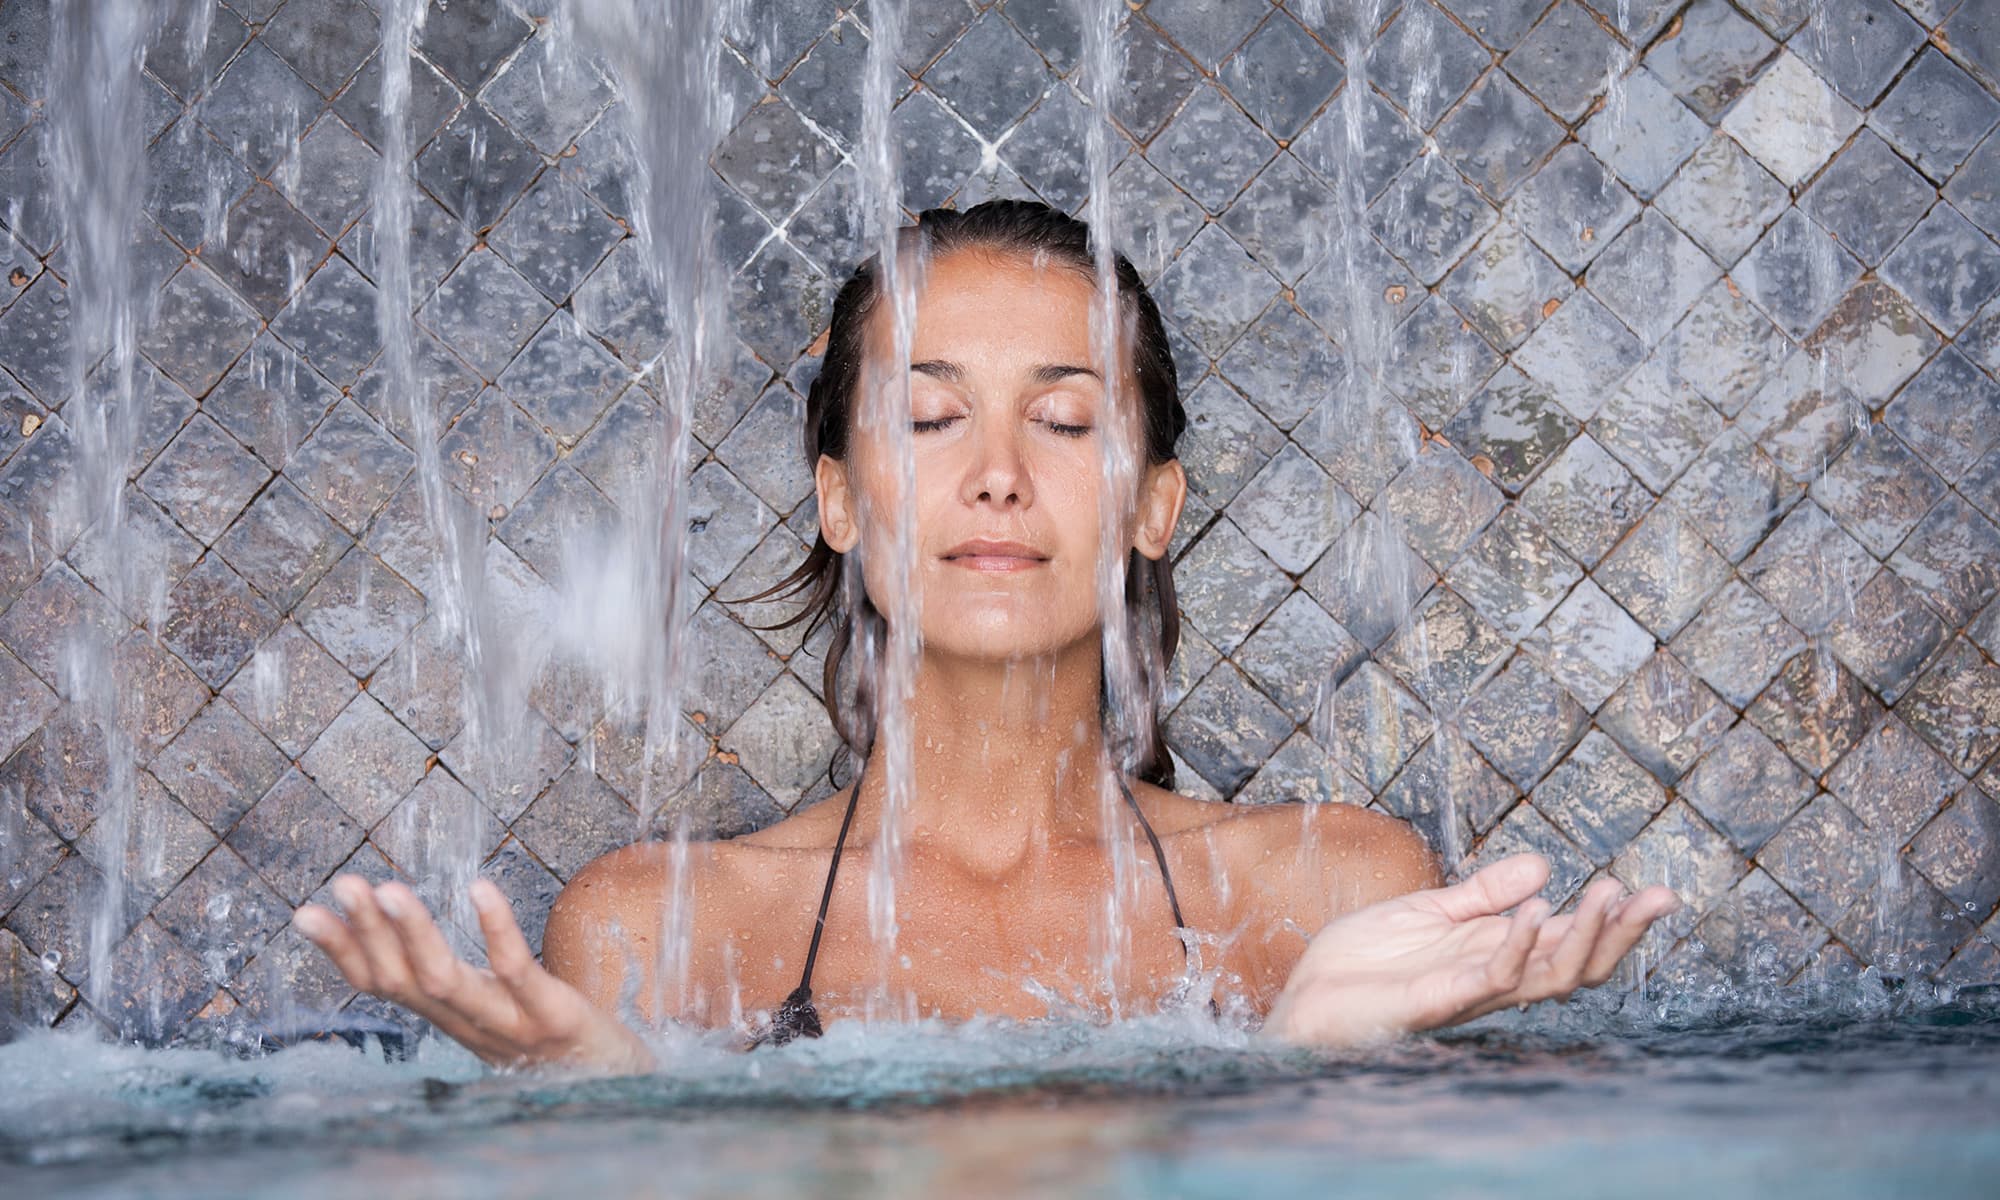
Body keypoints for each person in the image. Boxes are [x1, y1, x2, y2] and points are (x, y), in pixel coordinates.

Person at [291, 200, 1681, 1073]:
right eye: (929, 417)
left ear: (1151, 508)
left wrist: (1322, 1062)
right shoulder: (662, 926)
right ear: (841, 499)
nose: (999, 475)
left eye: (1066, 422)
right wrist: (601, 1121)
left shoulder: (1333, 891)